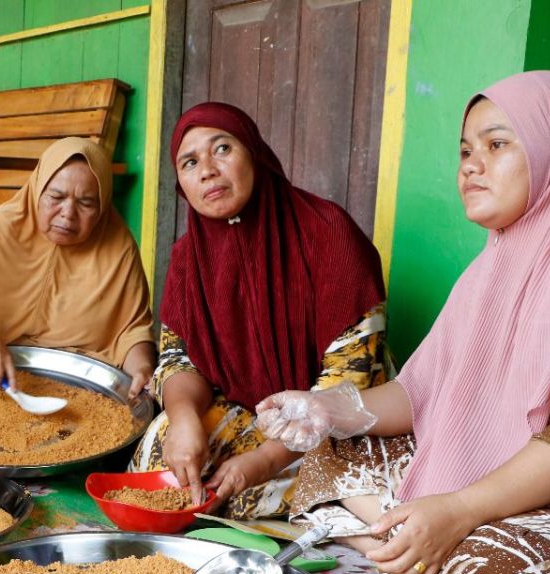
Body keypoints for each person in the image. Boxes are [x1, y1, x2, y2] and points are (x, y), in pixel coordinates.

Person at [258, 71, 550, 574]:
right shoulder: (496, 262)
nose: (471, 165)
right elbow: (424, 393)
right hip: (487, 482)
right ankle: (409, 545)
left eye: (498, 145)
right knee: (328, 457)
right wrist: (328, 408)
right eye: (466, 150)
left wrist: (459, 510)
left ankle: (404, 544)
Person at [129, 102, 386, 518]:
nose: (208, 170)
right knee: (161, 454)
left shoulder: (328, 234)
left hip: (334, 423)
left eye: (223, 149)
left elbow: (349, 379)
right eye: (190, 162)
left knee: (337, 486)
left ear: (255, 153)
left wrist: (264, 461)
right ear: (182, 184)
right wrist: (183, 420)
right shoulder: (188, 258)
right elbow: (180, 359)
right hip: (250, 414)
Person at [0, 137, 156, 396]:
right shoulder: (2, 226)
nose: (68, 212)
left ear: (102, 206)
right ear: (37, 189)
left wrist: (142, 369)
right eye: (56, 196)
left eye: (86, 203)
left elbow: (132, 330)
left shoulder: (118, 247)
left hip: (81, 381)